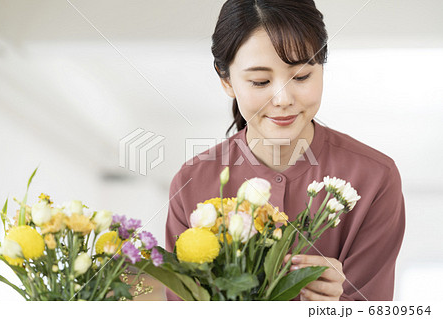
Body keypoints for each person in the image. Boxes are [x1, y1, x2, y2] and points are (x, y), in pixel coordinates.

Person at [165, 0, 405, 301]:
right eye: (260, 81)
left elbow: (373, 304)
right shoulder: (191, 182)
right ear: (226, 80)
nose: (282, 99)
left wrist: (338, 305)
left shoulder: (374, 177)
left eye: (302, 76)